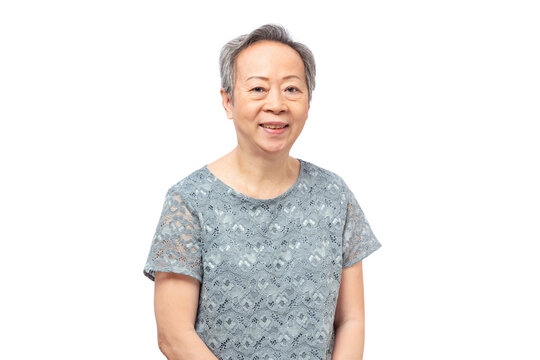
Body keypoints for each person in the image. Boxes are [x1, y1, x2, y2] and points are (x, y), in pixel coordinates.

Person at [143, 24, 382, 360]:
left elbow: (351, 320)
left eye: (292, 89)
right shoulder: (190, 202)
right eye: (257, 88)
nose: (276, 104)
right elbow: (173, 335)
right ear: (228, 101)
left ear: (308, 102)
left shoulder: (333, 195)